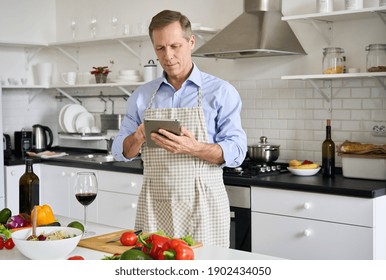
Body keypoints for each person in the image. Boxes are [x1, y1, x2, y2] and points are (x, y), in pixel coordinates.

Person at [112, 10, 247, 248]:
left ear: (191, 42)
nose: (169, 56)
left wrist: (194, 147)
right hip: (155, 202)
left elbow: (237, 152)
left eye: (175, 46)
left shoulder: (221, 92)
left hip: (203, 204)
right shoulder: (142, 96)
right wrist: (138, 137)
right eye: (160, 48)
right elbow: (120, 152)